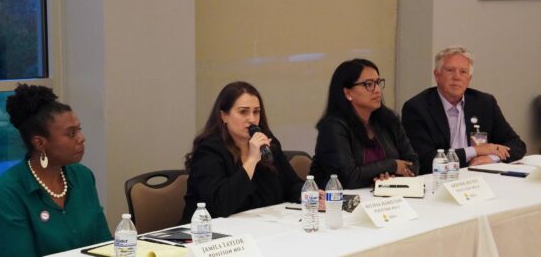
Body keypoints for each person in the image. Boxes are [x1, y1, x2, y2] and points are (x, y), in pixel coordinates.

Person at [0, 84, 111, 257]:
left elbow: (104, 244)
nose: (81, 138)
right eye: (71, 134)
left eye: (79, 130)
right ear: (40, 143)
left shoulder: (83, 176)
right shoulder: (7, 194)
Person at [182, 81, 317, 222]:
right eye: (243, 112)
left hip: (259, 228)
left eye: (256, 112)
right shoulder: (208, 150)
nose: (252, 119)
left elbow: (291, 185)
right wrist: (252, 160)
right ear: (224, 116)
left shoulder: (267, 143)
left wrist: (309, 195)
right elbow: (221, 205)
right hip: (208, 234)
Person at [402, 46, 526, 174]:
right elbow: (424, 160)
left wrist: (490, 157)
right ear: (437, 75)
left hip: (479, 177)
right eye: (450, 70)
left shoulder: (485, 103)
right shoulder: (416, 108)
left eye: (463, 72)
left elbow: (517, 145)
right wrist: (476, 151)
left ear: (469, 79)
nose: (457, 77)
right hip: (440, 179)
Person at [310, 59, 419, 189]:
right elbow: (347, 178)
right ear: (348, 93)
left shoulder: (389, 120)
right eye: (369, 84)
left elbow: (413, 163)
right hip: (336, 203)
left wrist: (389, 177)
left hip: (383, 199)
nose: (377, 90)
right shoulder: (333, 127)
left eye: (378, 83)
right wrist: (392, 166)